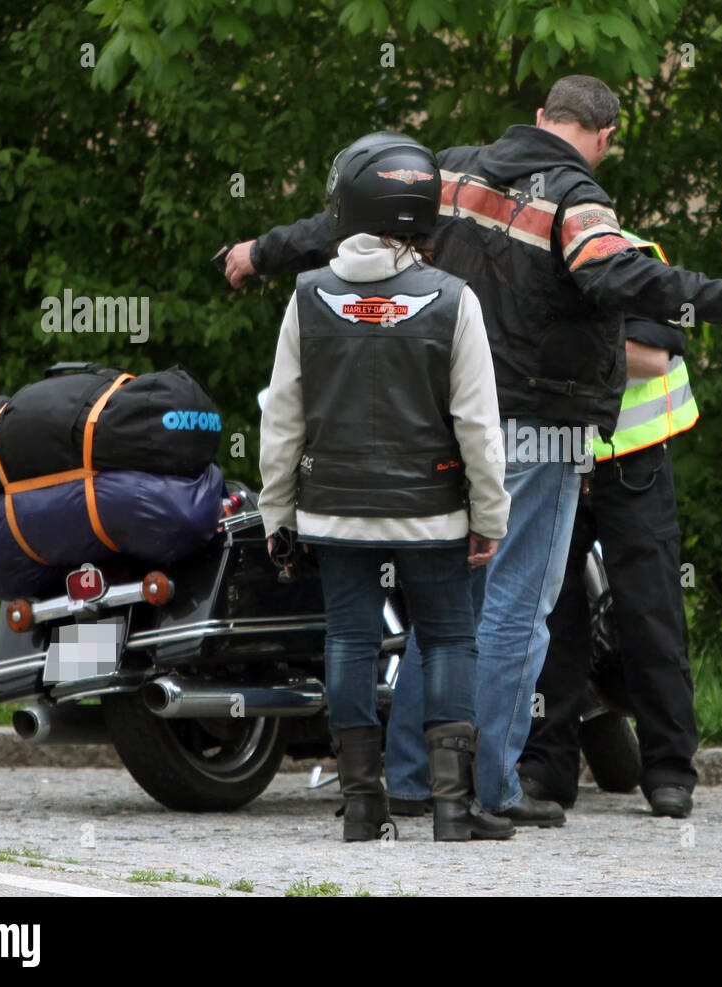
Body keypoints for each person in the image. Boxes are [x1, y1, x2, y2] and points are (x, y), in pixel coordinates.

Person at [230, 75, 722, 824]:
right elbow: (611, 269)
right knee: (515, 612)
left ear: (539, 118)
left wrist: (258, 253)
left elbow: (346, 225)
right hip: (537, 424)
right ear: (605, 136)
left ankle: (417, 776)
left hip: (445, 425)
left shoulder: (450, 171)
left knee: (448, 613)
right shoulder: (575, 195)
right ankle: (487, 785)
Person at [257, 131, 515, 842]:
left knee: (349, 639)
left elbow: (280, 419)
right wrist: (489, 513)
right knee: (451, 639)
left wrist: (277, 512)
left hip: (334, 509)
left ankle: (363, 805)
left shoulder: (307, 298)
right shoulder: (453, 299)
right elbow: (478, 426)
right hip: (432, 511)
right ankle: (454, 809)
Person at [518, 232, 700, 819]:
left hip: (633, 460)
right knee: (551, 614)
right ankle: (547, 769)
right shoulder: (526, 261)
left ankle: (670, 769)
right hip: (556, 456)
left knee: (650, 613)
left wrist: (553, 348)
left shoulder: (636, 259)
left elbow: (652, 357)